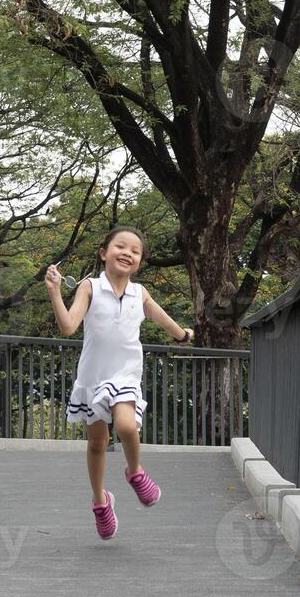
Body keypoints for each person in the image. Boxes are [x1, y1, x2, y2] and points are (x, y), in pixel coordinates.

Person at [44, 226, 195, 540]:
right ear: (104, 252)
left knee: (126, 427)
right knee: (97, 444)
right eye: (120, 246)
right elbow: (69, 326)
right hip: (92, 378)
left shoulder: (140, 294)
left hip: (125, 375)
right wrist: (55, 293)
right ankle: (101, 502)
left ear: (139, 262)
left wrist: (182, 334)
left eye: (135, 251)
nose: (127, 253)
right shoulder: (90, 287)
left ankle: (135, 472)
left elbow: (160, 317)